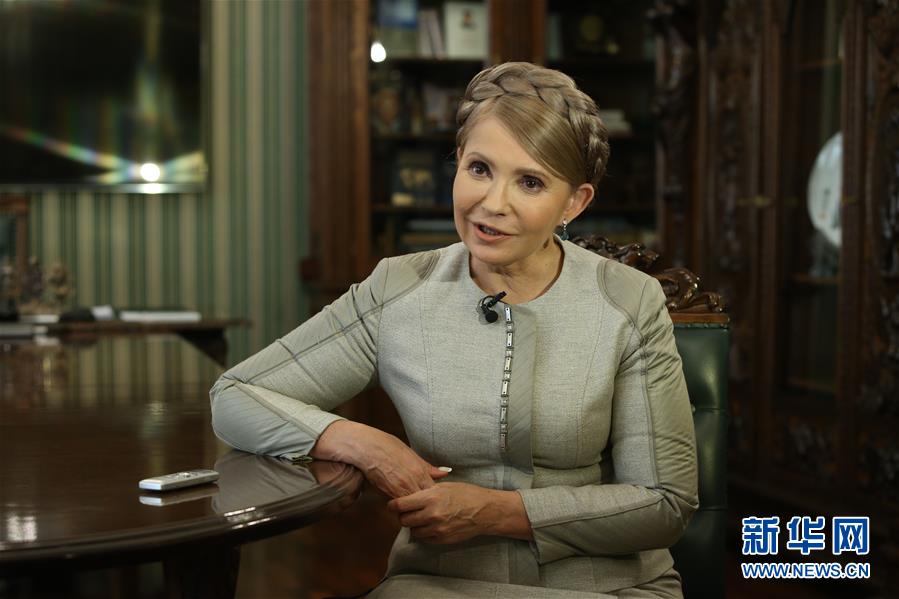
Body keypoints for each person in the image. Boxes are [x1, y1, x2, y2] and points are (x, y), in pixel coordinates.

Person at [210, 62, 697, 598]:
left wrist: (499, 513)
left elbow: (665, 503)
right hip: (441, 583)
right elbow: (235, 396)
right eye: (479, 168)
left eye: (530, 182)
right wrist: (366, 444)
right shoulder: (398, 289)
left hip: (609, 587)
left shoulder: (629, 301)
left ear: (574, 202)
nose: (493, 204)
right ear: (458, 162)